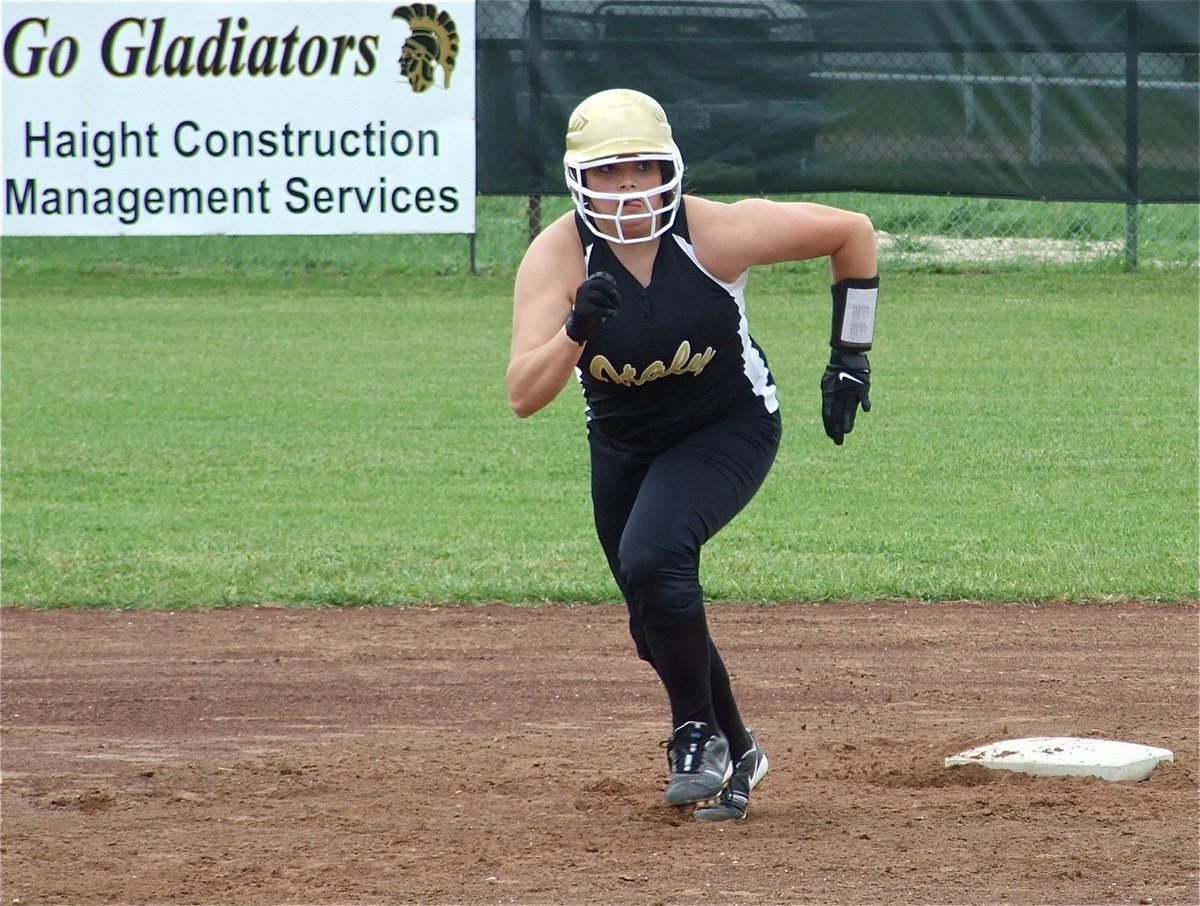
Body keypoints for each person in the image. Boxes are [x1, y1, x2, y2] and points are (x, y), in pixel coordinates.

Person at [506, 88, 878, 821]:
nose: (628, 187)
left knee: (653, 556)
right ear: (579, 179)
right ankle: (738, 750)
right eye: (609, 172)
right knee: (654, 617)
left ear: (669, 169)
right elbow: (523, 392)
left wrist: (851, 357)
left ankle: (694, 734)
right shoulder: (557, 258)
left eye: (642, 168)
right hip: (623, 445)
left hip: (727, 424)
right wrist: (574, 330)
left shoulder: (714, 234)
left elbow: (852, 233)